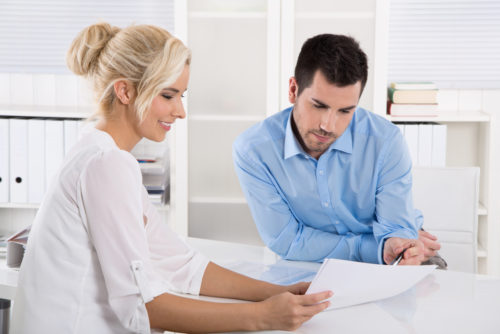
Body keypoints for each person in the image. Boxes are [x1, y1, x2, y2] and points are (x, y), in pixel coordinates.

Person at [10, 23, 332, 334]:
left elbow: (180, 264)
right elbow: (141, 306)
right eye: (168, 95)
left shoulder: (102, 151)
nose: (180, 111)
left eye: (182, 96)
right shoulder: (106, 164)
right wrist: (262, 317)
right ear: (125, 91)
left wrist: (276, 293)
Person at [233, 34, 444, 267]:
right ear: (294, 90)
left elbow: (395, 230)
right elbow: (287, 241)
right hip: (319, 259)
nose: (328, 126)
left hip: (390, 252)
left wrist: (398, 244)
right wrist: (372, 249)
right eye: (319, 106)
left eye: (345, 111)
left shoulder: (385, 141)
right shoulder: (254, 151)